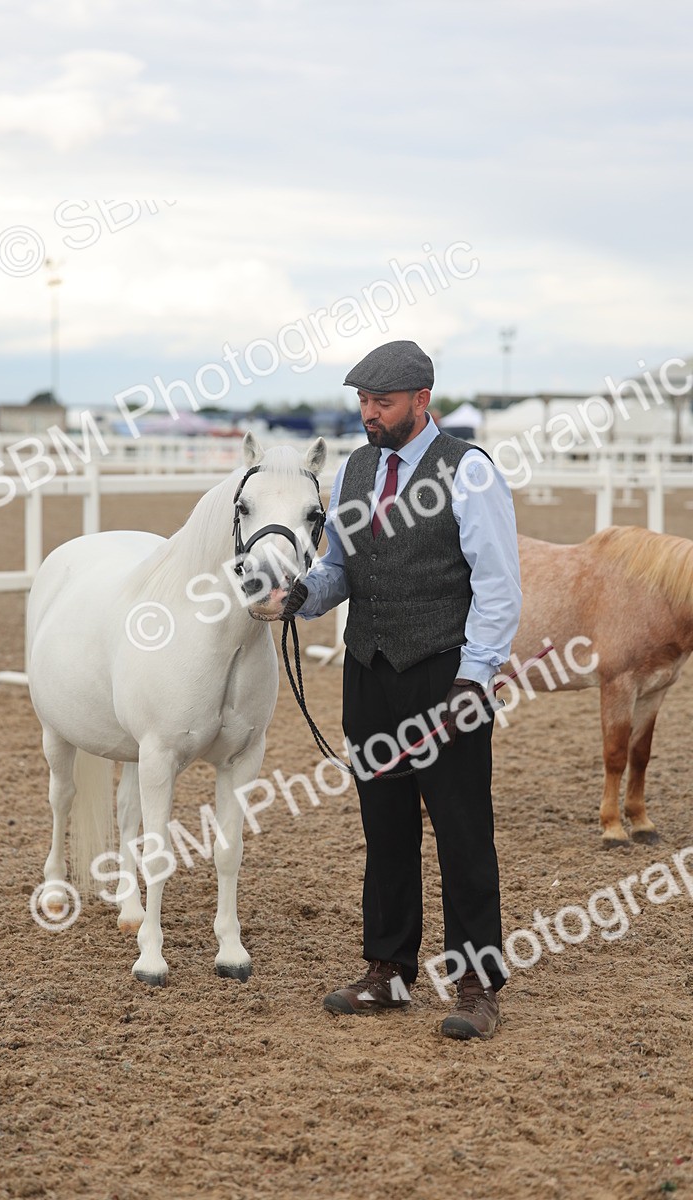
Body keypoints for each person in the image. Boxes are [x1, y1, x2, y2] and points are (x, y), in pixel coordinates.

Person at [281, 340, 521, 1039]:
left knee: (462, 832)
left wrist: (476, 678)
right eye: (362, 401)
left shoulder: (469, 471)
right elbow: (339, 569)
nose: (369, 414)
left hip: (446, 675)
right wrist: (300, 595)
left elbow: (499, 589)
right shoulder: (356, 469)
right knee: (384, 828)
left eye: (381, 402)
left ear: (421, 400)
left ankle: (477, 984)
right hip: (370, 672)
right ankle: (388, 971)